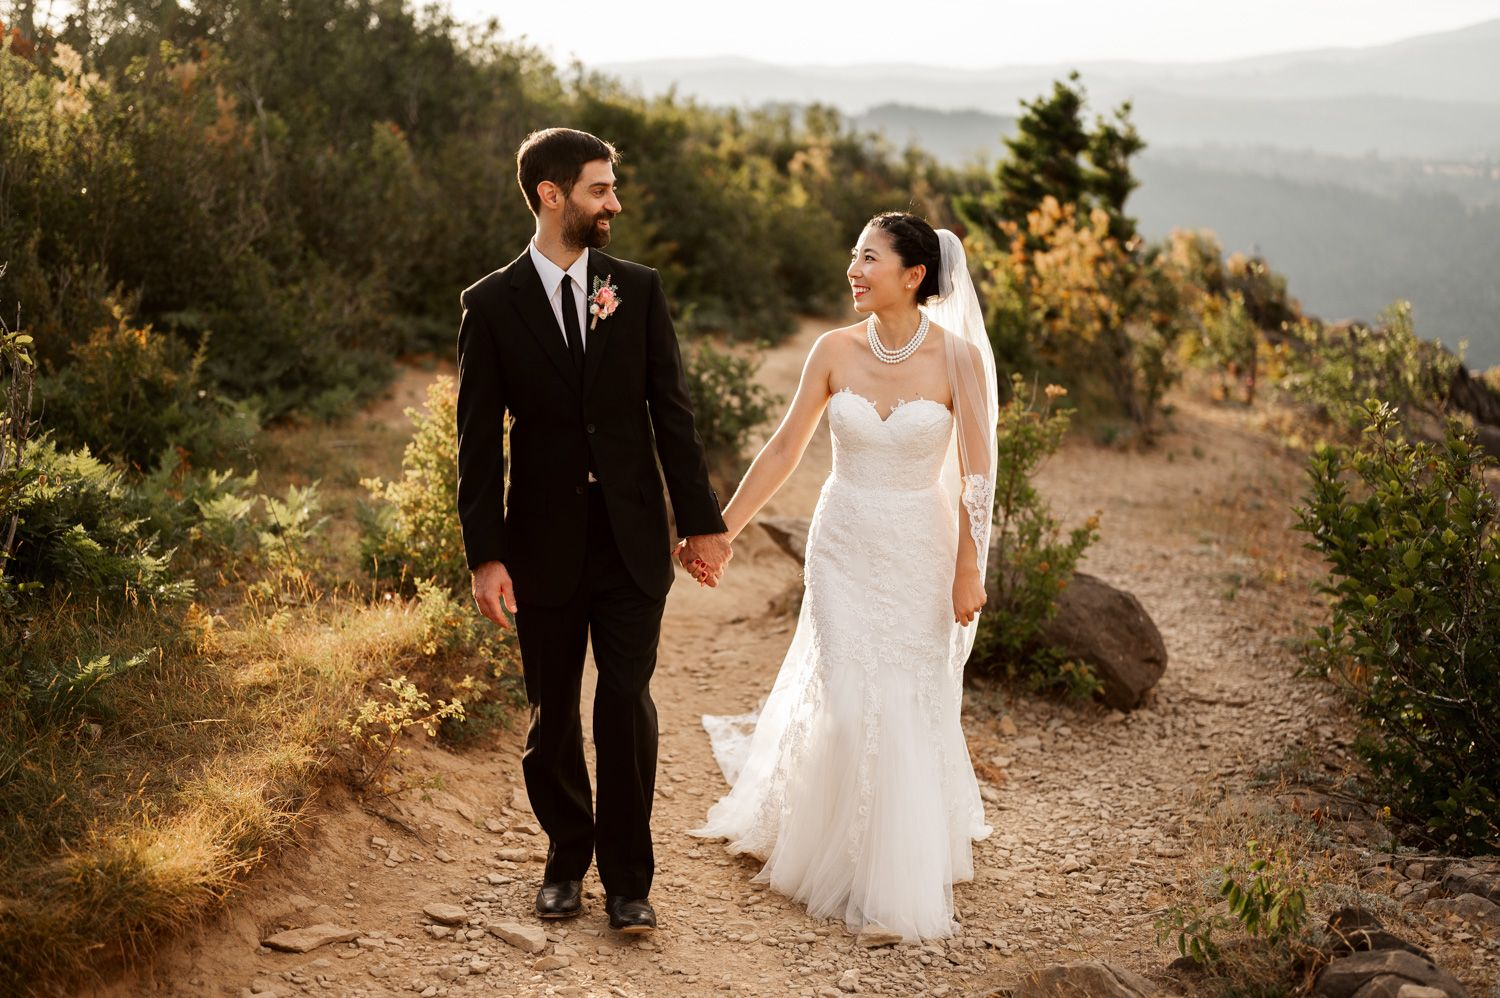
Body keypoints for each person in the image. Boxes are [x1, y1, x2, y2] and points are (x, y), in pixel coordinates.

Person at [690, 211, 999, 941]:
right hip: (843, 544)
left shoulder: (960, 361)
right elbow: (782, 450)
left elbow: (977, 477)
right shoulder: (832, 349)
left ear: (914, 275)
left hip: (921, 548)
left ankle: (891, 865)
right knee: (851, 694)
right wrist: (721, 531)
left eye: (869, 259)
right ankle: (830, 845)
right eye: (853, 257)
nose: (853, 271)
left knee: (903, 696)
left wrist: (968, 566)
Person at [455, 127, 733, 934]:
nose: (614, 202)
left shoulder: (636, 289)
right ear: (552, 196)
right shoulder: (491, 304)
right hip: (539, 545)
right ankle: (564, 862)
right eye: (599, 189)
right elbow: (476, 444)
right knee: (551, 716)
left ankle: (630, 881)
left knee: (626, 703)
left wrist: (701, 524)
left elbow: (671, 415)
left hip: (631, 538)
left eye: (612, 188)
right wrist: (486, 556)